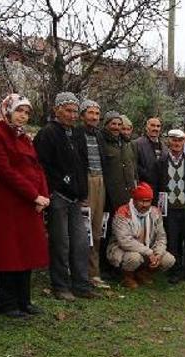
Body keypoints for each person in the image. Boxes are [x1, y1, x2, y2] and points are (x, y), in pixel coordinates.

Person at [0, 94, 49, 318]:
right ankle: (6, 302)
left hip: (27, 205)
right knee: (7, 253)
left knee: (26, 251)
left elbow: (36, 168)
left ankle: (24, 300)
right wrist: (33, 195)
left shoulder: (23, 138)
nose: (23, 116)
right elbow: (5, 172)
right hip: (5, 205)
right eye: (19, 111)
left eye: (27, 113)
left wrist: (43, 196)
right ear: (7, 110)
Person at [34, 92, 100, 301]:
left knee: (81, 242)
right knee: (60, 243)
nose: (72, 115)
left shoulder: (77, 134)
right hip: (58, 197)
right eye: (68, 111)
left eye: (75, 111)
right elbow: (41, 167)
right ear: (57, 110)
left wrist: (82, 191)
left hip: (75, 198)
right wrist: (54, 189)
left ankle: (81, 284)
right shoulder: (47, 133)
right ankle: (60, 285)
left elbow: (82, 165)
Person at [152, 129, 185, 284]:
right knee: (173, 241)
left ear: (184, 142)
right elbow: (155, 186)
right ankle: (176, 271)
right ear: (169, 141)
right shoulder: (160, 162)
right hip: (169, 209)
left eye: (179, 140)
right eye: (173, 140)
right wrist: (156, 207)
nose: (176, 143)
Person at [107, 183, 175, 288]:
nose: (145, 204)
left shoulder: (155, 213)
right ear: (134, 200)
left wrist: (158, 254)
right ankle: (127, 277)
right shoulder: (122, 212)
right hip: (124, 250)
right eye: (142, 201)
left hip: (148, 249)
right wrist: (149, 252)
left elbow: (161, 237)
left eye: (148, 201)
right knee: (134, 257)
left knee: (169, 260)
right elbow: (125, 241)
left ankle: (143, 273)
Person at [76, 99, 109, 289]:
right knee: (83, 229)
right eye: (91, 113)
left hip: (100, 180)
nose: (94, 117)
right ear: (82, 115)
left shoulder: (99, 135)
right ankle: (80, 273)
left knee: (96, 230)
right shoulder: (76, 134)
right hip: (85, 182)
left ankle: (94, 272)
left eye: (97, 114)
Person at [101, 111, 138, 213]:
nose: (116, 127)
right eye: (113, 124)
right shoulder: (102, 142)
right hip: (110, 196)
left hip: (128, 194)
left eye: (119, 124)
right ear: (106, 125)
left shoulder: (127, 144)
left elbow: (133, 168)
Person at [133, 117, 166, 183]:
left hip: (161, 187)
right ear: (146, 127)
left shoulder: (164, 146)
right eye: (152, 125)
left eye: (158, 126)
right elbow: (134, 166)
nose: (155, 128)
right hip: (144, 186)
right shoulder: (137, 144)